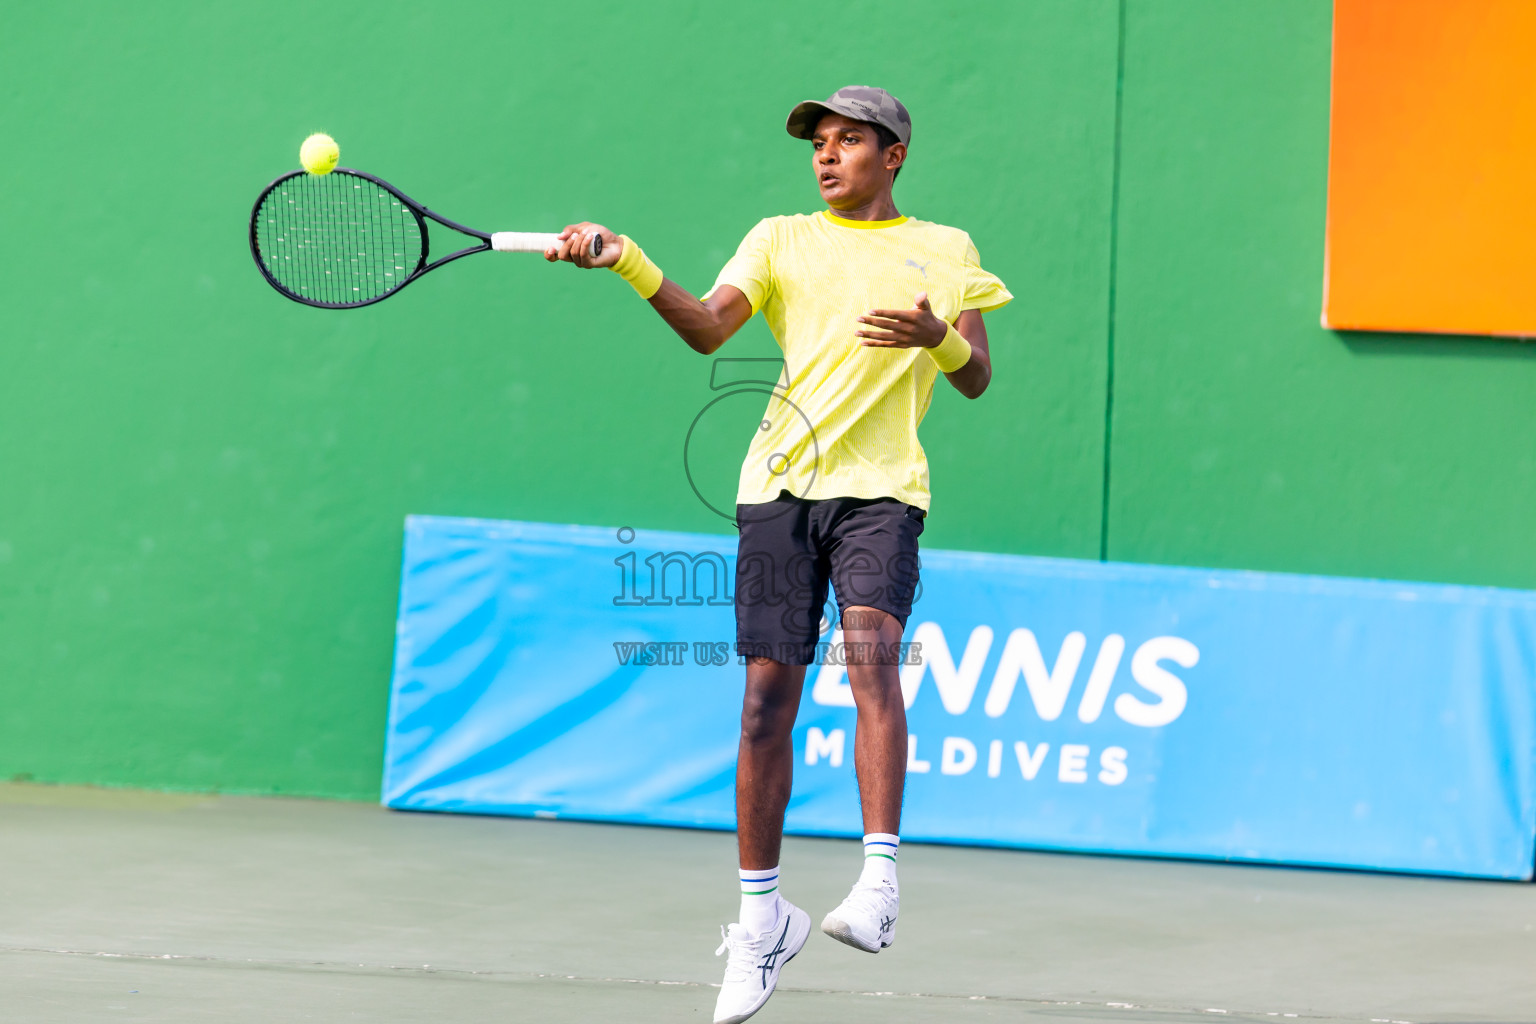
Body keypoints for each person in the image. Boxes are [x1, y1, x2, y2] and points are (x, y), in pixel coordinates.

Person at [547, 85, 1011, 1024]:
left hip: (882, 489)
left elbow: (978, 377)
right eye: (819, 144)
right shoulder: (778, 238)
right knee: (765, 702)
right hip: (777, 488)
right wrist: (627, 261)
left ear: (895, 155)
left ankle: (878, 886)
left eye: (848, 141)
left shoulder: (949, 250)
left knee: (873, 656)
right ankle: (763, 923)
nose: (827, 156)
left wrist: (936, 339)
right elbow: (708, 327)